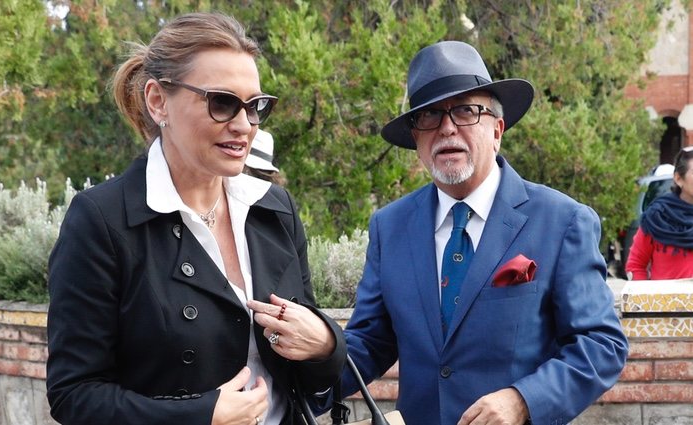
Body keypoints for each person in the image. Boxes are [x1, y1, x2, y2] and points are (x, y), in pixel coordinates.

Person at [46, 12, 346, 425]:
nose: (244, 126)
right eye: (222, 103)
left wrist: (326, 345)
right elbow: (73, 394)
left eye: (256, 106)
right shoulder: (102, 220)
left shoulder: (274, 210)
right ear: (157, 101)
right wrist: (198, 416)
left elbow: (306, 374)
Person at [335, 41, 629, 424]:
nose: (447, 128)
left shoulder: (562, 221)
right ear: (416, 140)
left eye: (466, 111)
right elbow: (369, 343)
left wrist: (523, 400)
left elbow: (601, 345)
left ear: (497, 130)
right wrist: (292, 374)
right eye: (428, 116)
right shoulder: (390, 227)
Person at [626, 146, 693, 280]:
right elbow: (636, 265)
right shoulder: (657, 217)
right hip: (668, 300)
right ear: (679, 178)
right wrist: (646, 297)